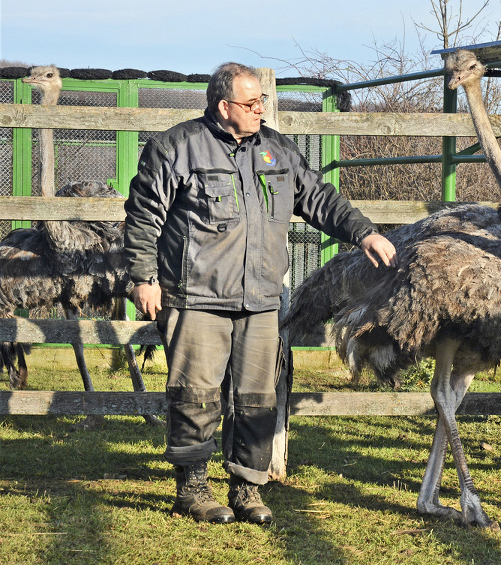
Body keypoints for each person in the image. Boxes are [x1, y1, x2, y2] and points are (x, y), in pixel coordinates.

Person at [124, 62, 396, 525]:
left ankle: (247, 489)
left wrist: (364, 233)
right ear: (222, 105)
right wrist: (142, 278)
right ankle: (191, 489)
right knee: (196, 395)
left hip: (261, 300)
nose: (260, 110)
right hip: (198, 296)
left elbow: (319, 199)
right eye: (251, 103)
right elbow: (143, 216)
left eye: (263, 101)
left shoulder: (277, 151)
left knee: (257, 397)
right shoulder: (176, 148)